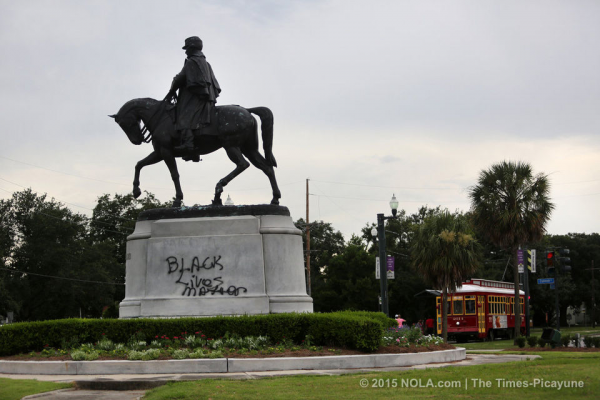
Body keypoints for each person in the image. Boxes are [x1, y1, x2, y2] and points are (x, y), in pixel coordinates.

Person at [166, 36, 221, 162]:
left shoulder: (192, 62)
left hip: (196, 97)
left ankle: (189, 144)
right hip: (205, 97)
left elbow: (180, 78)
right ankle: (194, 152)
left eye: (187, 49)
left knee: (183, 116)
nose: (186, 52)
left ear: (192, 48)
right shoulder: (205, 63)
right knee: (192, 118)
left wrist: (171, 91)